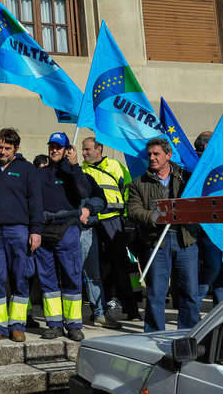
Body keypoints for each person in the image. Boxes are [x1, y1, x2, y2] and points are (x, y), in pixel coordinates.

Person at [127, 137, 199, 332]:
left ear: (168, 155)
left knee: (190, 291)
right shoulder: (138, 184)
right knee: (156, 293)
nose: (152, 158)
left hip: (185, 239)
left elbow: (200, 201)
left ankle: (189, 333)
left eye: (156, 154)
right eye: (149, 154)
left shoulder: (187, 178)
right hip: (156, 242)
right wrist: (155, 217)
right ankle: (154, 333)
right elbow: (133, 210)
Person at [0, 128, 43, 342]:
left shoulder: (26, 170)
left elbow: (35, 201)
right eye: (0, 147)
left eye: (7, 148)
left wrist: (36, 230)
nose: (3, 151)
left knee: (20, 276)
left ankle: (17, 325)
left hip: (19, 230)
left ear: (16, 149)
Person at [35, 132, 91, 341]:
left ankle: (74, 324)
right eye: (52, 146)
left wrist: (75, 166)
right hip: (45, 230)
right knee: (47, 280)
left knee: (71, 277)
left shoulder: (74, 173)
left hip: (67, 229)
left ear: (67, 149)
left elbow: (85, 193)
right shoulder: (39, 174)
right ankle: (54, 324)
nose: (54, 150)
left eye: (59, 146)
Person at [81, 137, 139, 324]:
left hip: (113, 222)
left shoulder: (115, 166)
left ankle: (132, 310)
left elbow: (129, 192)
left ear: (99, 148)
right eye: (83, 149)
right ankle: (99, 309)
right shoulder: (81, 170)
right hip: (92, 223)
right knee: (97, 269)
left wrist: (128, 221)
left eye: (88, 149)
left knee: (120, 267)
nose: (84, 153)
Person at [194, 131, 223, 307]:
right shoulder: (196, 165)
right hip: (208, 229)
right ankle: (194, 303)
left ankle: (222, 313)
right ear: (207, 146)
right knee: (213, 267)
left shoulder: (222, 163)